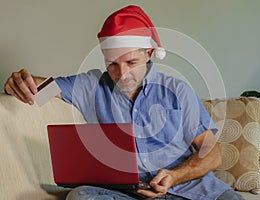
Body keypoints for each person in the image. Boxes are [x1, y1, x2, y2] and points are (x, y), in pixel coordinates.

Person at [4, 5, 244, 200]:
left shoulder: (177, 91)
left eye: (131, 62)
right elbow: (41, 91)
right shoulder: (91, 86)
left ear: (149, 54)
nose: (122, 74)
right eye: (112, 64)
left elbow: (213, 154)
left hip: (190, 190)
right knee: (79, 196)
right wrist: (20, 84)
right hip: (126, 194)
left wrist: (174, 176)